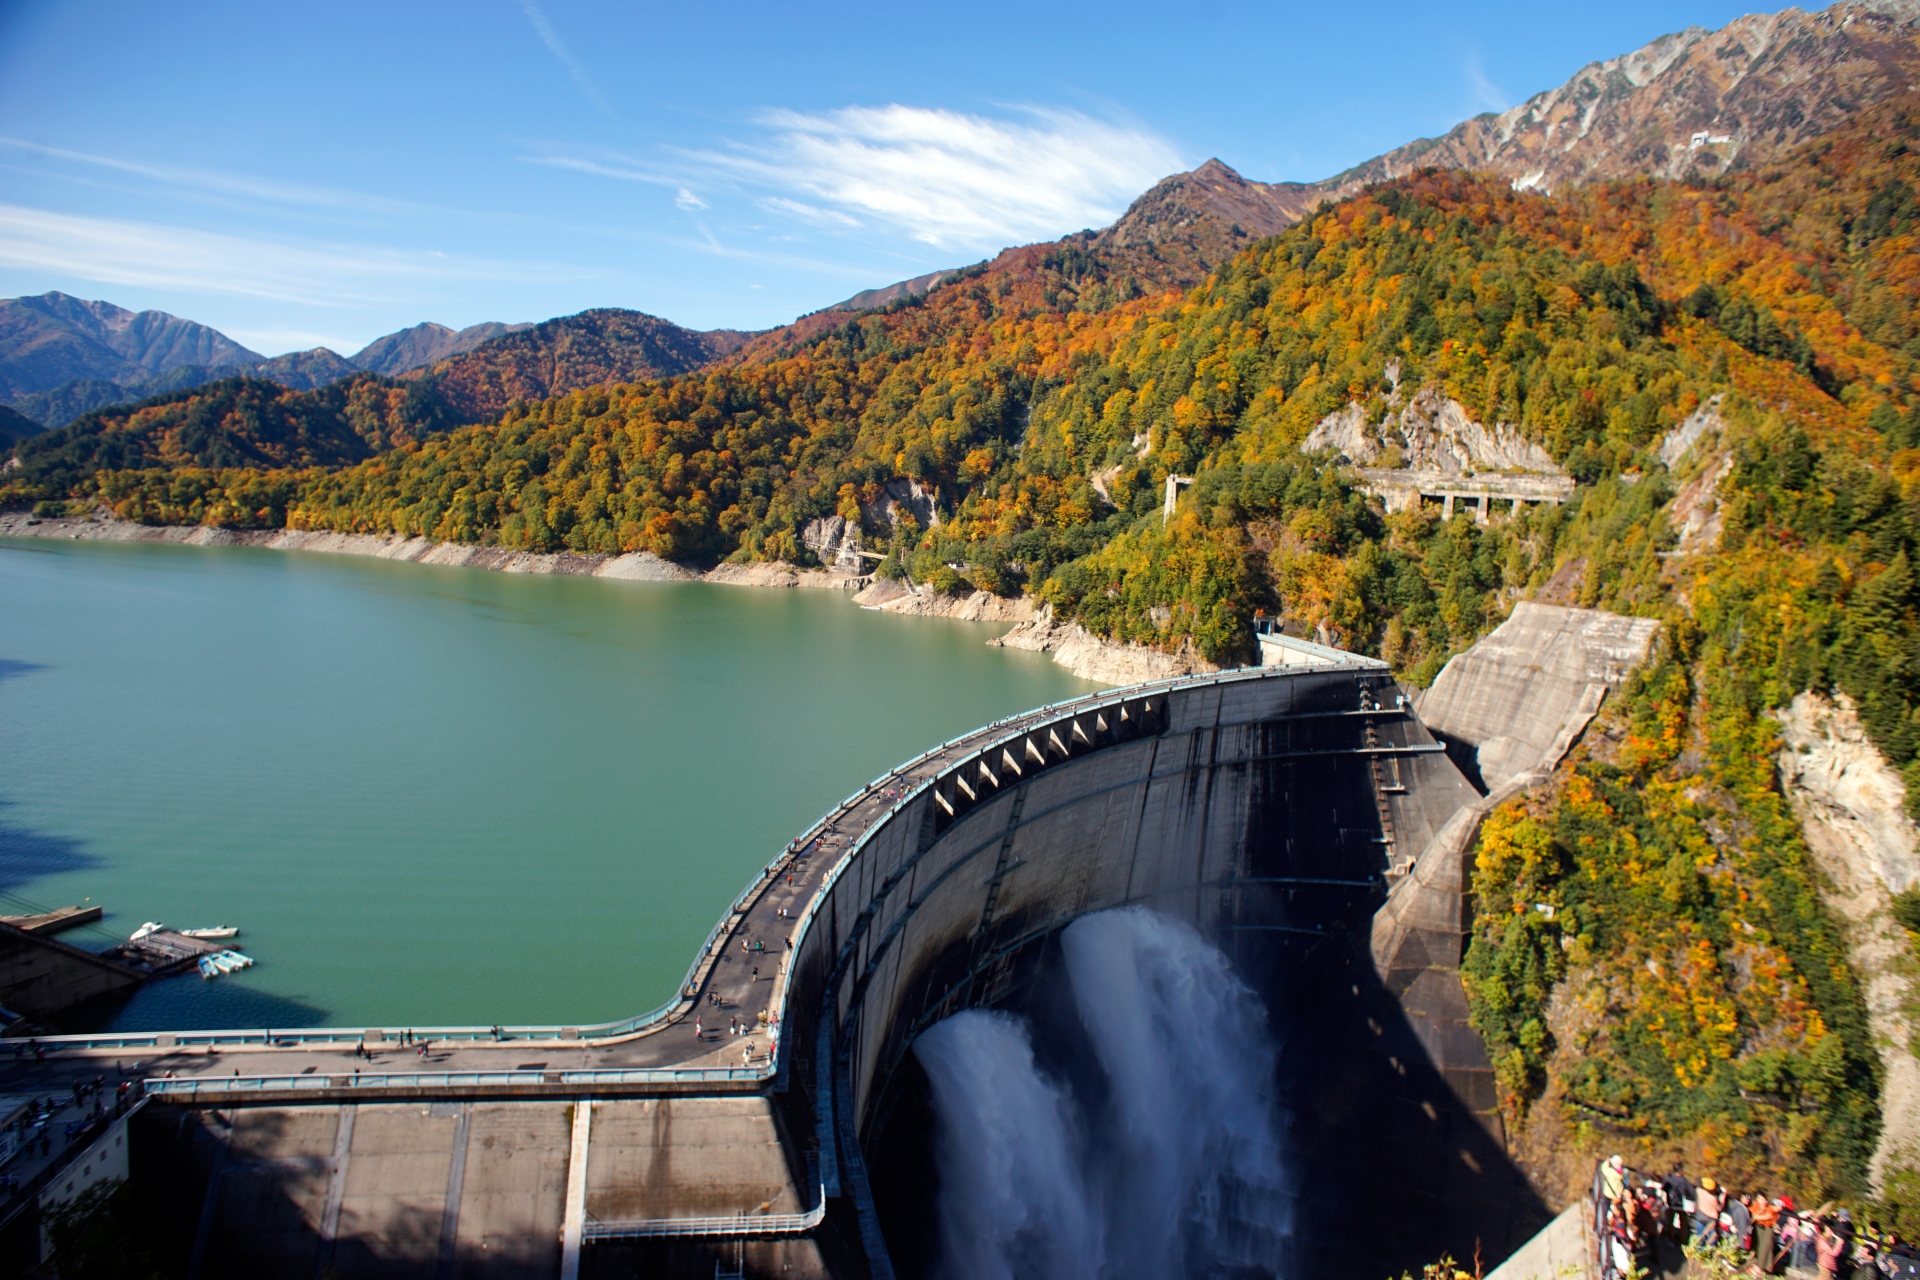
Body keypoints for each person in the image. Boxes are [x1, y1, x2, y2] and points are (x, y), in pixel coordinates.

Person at [1695, 1176, 1724, 1246]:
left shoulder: (1698, 1190)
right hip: (1710, 1220)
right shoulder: (1713, 1198)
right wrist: (1722, 1199)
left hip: (1700, 1216)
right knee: (1711, 1239)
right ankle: (1710, 1252)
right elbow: (1719, 1208)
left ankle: (1699, 1252)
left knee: (1700, 1237)